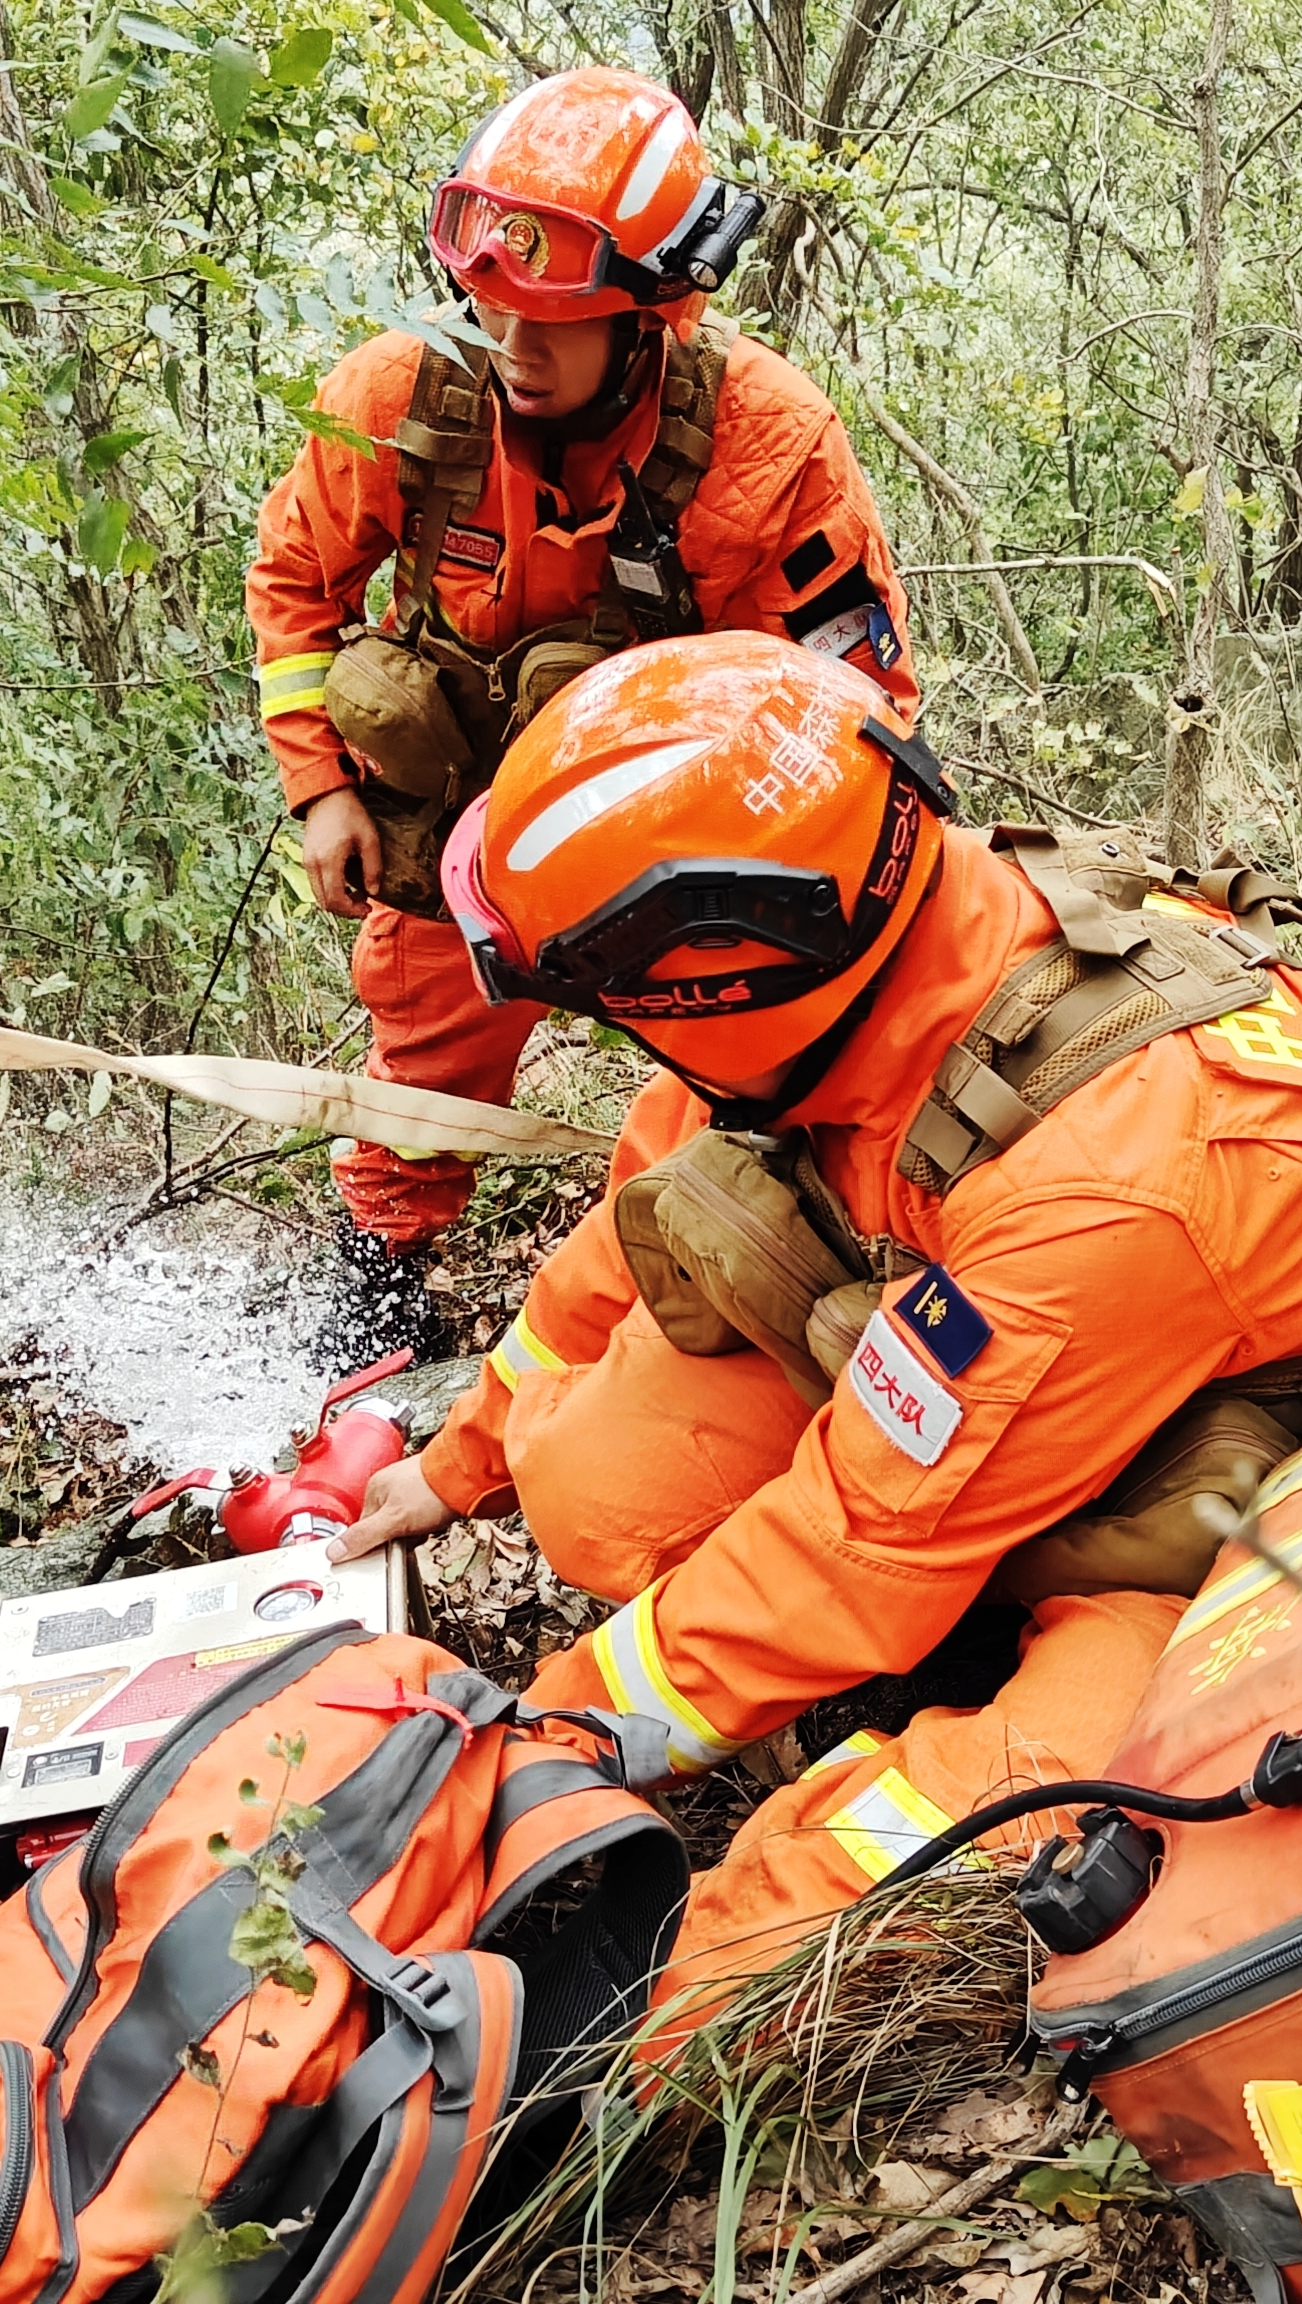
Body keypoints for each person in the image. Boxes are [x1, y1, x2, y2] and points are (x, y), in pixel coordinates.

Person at [334, 632, 1302, 1999]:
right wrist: (460, 1463)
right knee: (603, 1489)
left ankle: (598, 2049)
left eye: (618, 1008)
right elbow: (660, 1184)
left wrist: (524, 1746)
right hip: (1027, 1358)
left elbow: (852, 1550)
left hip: (1223, 1509)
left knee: (911, 1857)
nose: (619, 1037)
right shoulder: (849, 957)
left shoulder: (1107, 1174)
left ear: (717, 972)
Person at [247, 66, 921, 1366]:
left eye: (553, 323)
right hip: (457, 815)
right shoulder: (400, 398)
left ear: (654, 313)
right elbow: (292, 582)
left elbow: (857, 691)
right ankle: (380, 1280)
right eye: (490, 309)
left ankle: (803, 1227)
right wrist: (322, 786)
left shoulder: (767, 440)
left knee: (778, 1054)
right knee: (421, 1066)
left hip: (674, 821)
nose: (512, 349)